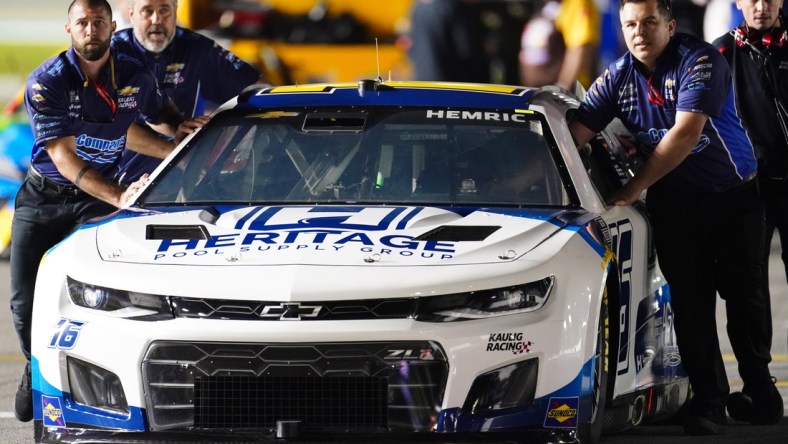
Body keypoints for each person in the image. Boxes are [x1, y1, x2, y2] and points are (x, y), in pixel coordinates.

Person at [568, 0, 779, 435]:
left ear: (670, 25)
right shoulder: (617, 76)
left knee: (744, 300)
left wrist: (631, 188)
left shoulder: (700, 59)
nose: (639, 31)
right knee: (690, 305)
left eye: (649, 22)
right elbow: (575, 134)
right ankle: (709, 401)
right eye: (630, 24)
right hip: (677, 205)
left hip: (734, 198)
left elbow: (684, 135)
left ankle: (760, 391)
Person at [11, 0, 192, 422]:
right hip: (46, 197)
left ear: (113, 25)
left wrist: (177, 140)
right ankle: (31, 363)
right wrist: (120, 197)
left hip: (94, 204)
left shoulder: (133, 72)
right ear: (68, 29)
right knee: (24, 302)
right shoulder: (47, 82)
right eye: (82, 23)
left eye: (98, 22)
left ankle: (100, 385)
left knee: (99, 295)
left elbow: (140, 123)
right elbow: (65, 159)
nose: (90, 29)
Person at [711, 0, 787, 424]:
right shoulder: (721, 52)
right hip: (749, 187)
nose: (760, 6)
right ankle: (759, 385)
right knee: (748, 288)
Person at [111, 0, 263, 185]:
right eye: (147, 11)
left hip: (184, 183)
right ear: (132, 14)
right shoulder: (110, 54)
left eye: (164, 10)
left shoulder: (197, 47)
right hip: (119, 185)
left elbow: (256, 90)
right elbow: (107, 125)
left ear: (176, 11)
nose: (156, 19)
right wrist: (178, 156)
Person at [518, 0, 601, 90]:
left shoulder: (576, 3)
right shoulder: (543, 6)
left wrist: (563, 88)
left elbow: (580, 48)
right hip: (538, 95)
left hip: (564, 96)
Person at [406, 0, 488, 83]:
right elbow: (466, 50)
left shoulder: (417, 6)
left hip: (421, 77)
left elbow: (410, 44)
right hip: (449, 80)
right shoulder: (452, 6)